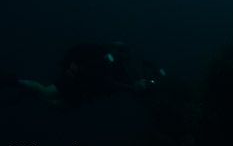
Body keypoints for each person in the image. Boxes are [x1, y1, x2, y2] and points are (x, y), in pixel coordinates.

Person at [8, 41, 161, 109]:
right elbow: (107, 82)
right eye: (121, 52)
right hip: (74, 80)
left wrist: (137, 87)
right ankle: (16, 81)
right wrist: (132, 87)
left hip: (82, 89)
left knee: (59, 106)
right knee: (49, 91)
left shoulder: (117, 67)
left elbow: (120, 83)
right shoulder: (100, 56)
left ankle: (32, 92)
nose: (122, 56)